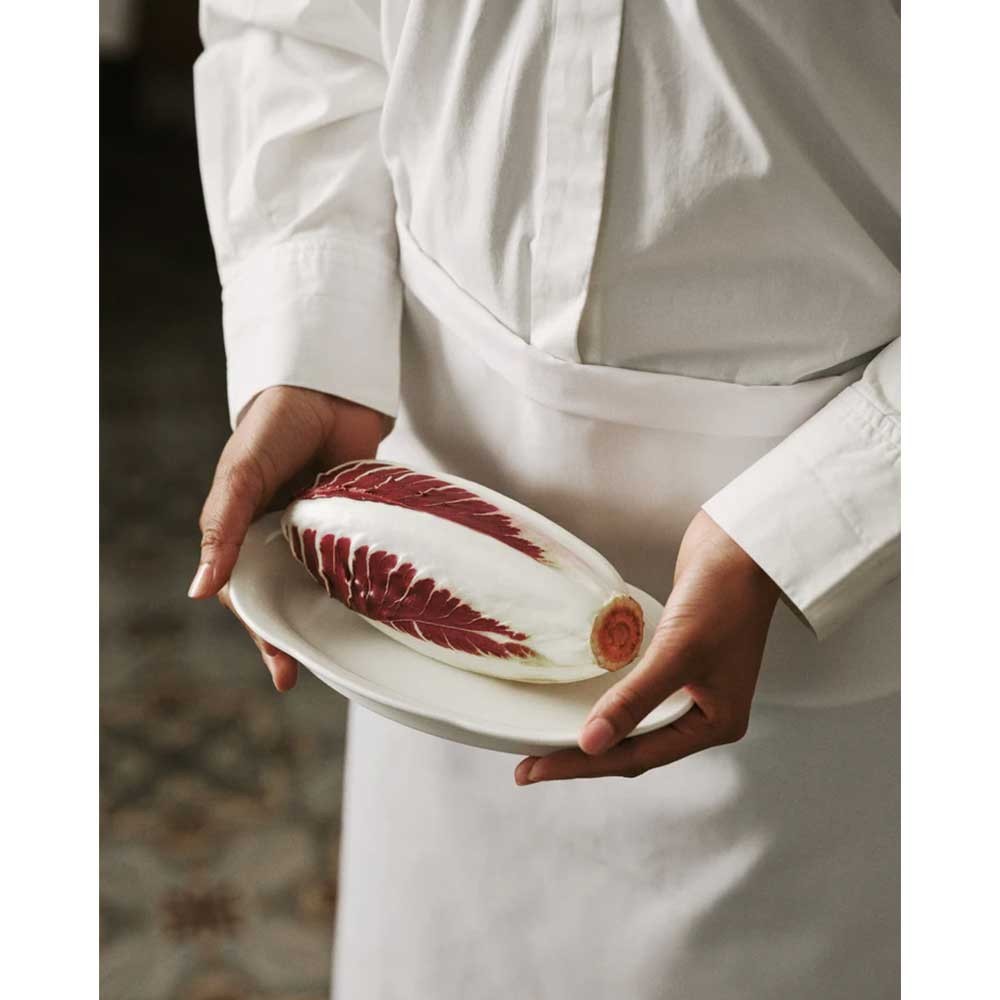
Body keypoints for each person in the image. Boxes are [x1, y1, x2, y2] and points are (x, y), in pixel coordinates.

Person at [190, 2, 900, 997]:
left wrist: (829, 508)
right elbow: (300, 28)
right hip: (429, 563)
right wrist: (311, 346)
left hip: (842, 598)